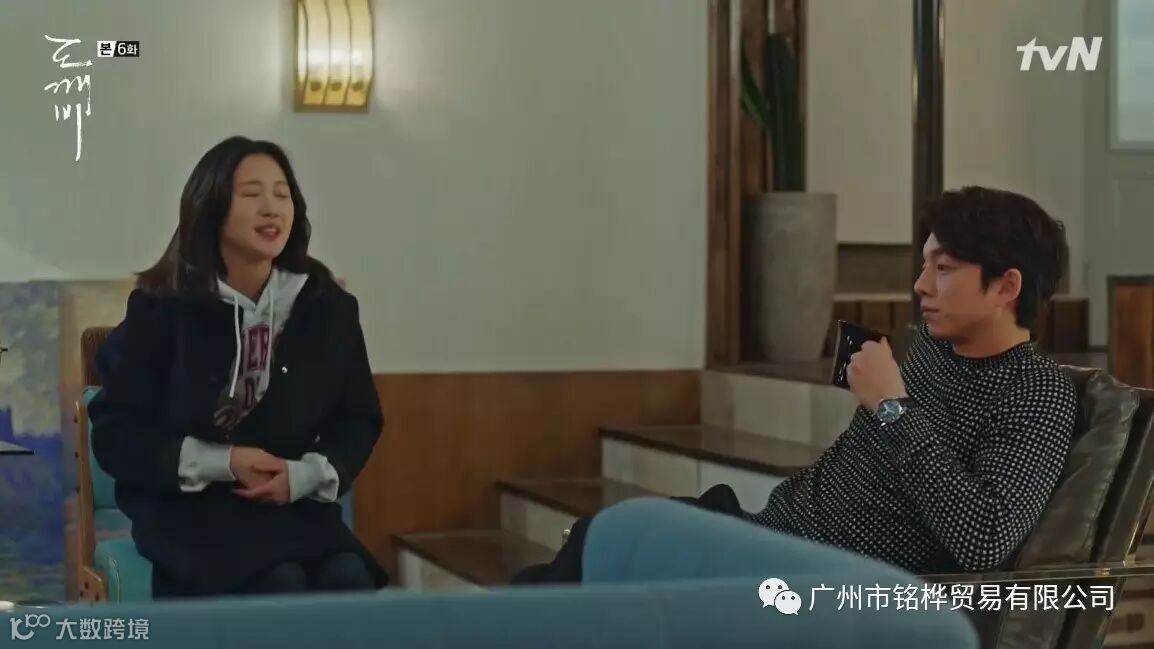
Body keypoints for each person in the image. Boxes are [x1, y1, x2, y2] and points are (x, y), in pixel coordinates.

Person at [513, 185, 1079, 584]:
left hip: (824, 582)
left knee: (606, 557)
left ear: (1007, 287)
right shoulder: (932, 349)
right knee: (601, 538)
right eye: (925, 264)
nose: (920, 284)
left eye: (945, 269)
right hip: (773, 533)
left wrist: (890, 406)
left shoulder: (1037, 395)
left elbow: (984, 537)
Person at [89, 136, 389, 598]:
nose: (272, 208)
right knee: (278, 582)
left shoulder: (326, 307)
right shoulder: (160, 309)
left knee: (348, 577)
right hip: (190, 510)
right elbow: (116, 434)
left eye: (282, 194)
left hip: (292, 505)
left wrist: (303, 475)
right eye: (252, 194)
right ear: (211, 208)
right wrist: (225, 462)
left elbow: (358, 418)